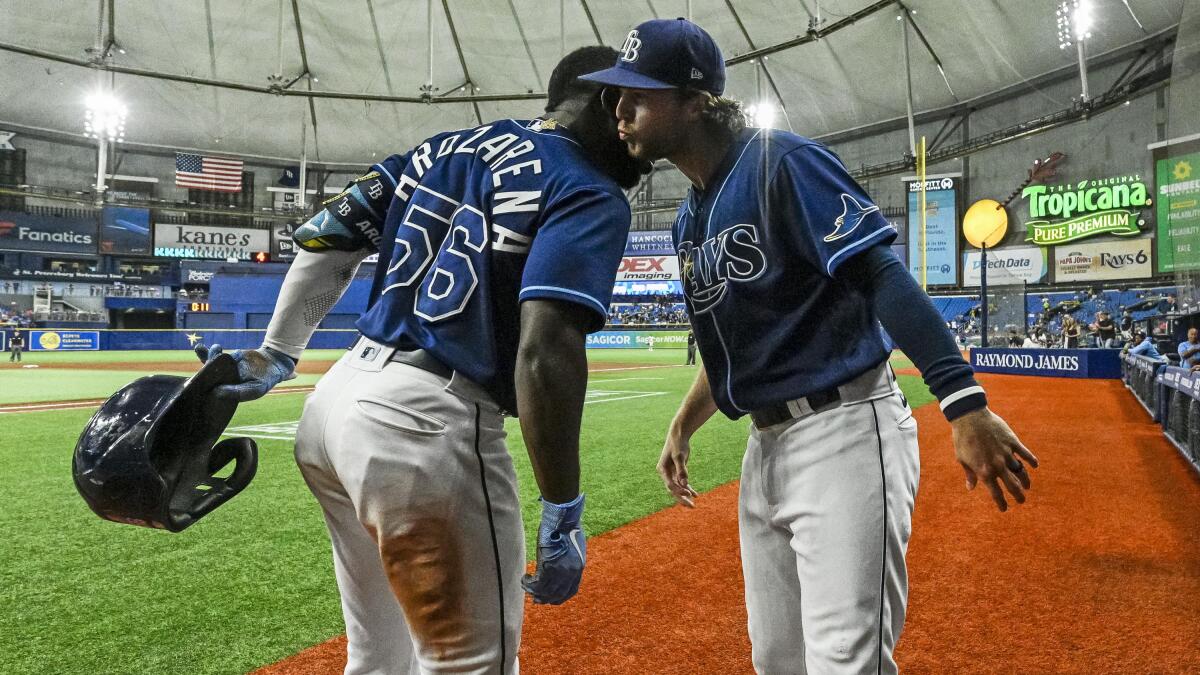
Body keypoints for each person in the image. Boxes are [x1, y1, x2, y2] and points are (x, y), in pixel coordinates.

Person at [583, 19, 1038, 674]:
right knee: (778, 659)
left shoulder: (781, 162)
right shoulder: (689, 217)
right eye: (615, 97)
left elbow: (881, 274)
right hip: (764, 450)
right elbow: (730, 351)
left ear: (694, 100)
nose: (619, 109)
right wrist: (682, 425)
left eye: (637, 94)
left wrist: (963, 405)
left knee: (846, 662)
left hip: (845, 431)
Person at [195, 46, 650, 674]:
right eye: (632, 110)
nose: (640, 145)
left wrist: (279, 351)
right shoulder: (585, 186)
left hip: (333, 407)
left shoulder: (443, 146)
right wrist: (563, 504)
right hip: (426, 423)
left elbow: (327, 238)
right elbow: (546, 352)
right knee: (470, 663)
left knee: (379, 657)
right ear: (607, 101)